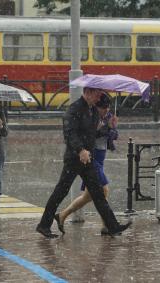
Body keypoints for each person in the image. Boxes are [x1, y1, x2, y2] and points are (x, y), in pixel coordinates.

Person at [36, 88, 131, 238]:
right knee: (61, 191)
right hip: (74, 158)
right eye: (96, 95)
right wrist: (80, 150)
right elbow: (70, 134)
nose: (97, 99)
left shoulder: (92, 110)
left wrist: (109, 127)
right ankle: (44, 225)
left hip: (87, 159)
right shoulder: (74, 109)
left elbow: (93, 134)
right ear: (87, 93)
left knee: (98, 193)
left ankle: (112, 226)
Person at [55, 94, 119, 235]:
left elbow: (113, 136)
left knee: (88, 196)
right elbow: (89, 136)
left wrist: (113, 127)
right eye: (103, 107)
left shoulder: (108, 117)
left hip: (101, 158)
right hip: (91, 157)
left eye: (108, 107)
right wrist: (104, 129)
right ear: (97, 106)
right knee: (104, 190)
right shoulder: (91, 117)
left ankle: (62, 215)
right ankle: (107, 226)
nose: (106, 110)